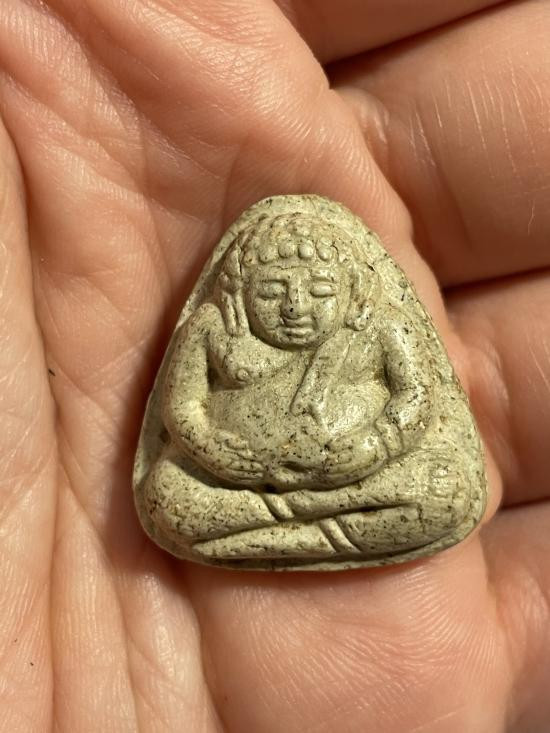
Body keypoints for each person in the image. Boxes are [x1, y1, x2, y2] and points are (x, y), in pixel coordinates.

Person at [0, 0, 549, 730]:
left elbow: (415, 400)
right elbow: (183, 413)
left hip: (352, 473)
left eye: (317, 292)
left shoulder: (376, 326)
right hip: (246, 479)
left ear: (347, 291)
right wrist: (220, 453)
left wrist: (373, 446)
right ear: (241, 292)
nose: (296, 308)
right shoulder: (215, 328)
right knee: (167, 497)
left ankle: (277, 531)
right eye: (274, 292)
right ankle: (308, 529)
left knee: (446, 491)